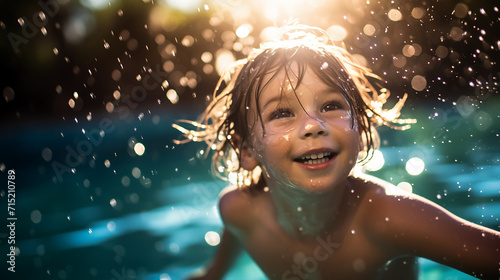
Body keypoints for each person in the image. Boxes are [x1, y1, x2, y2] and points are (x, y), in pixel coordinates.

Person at [173, 24, 500, 280]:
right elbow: (223, 255)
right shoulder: (238, 210)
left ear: (361, 129)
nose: (313, 126)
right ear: (247, 150)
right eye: (282, 113)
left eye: (331, 106)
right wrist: (210, 274)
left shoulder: (387, 218)